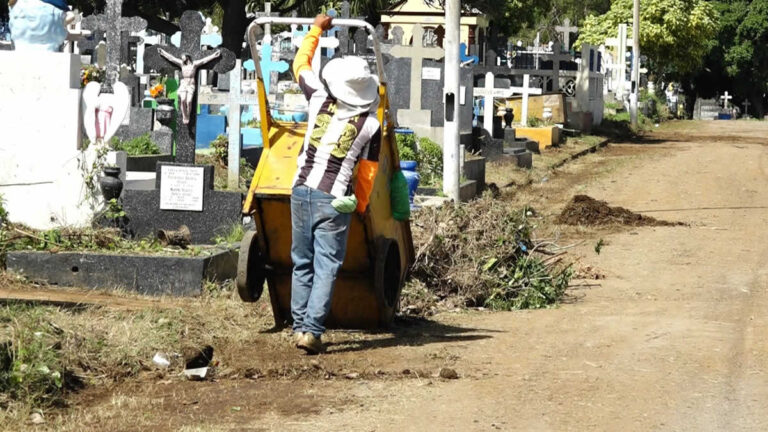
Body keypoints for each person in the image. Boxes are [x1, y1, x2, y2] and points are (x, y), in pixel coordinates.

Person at [290, 14, 382, 354]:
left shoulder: (317, 98)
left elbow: (299, 63)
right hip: (335, 199)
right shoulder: (371, 126)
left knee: (302, 262)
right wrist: (359, 205)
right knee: (326, 266)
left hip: (300, 191)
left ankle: (299, 326)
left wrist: (316, 29)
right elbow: (368, 173)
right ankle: (312, 332)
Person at [157, 48, 221, 124]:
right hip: (184, 84)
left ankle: (188, 115)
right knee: (183, 100)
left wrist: (214, 55)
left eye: (183, 56)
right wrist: (163, 53)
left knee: (189, 101)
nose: (181, 58)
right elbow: (172, 58)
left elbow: (204, 60)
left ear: (187, 57)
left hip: (191, 85)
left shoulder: (194, 64)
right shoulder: (181, 64)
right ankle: (184, 115)